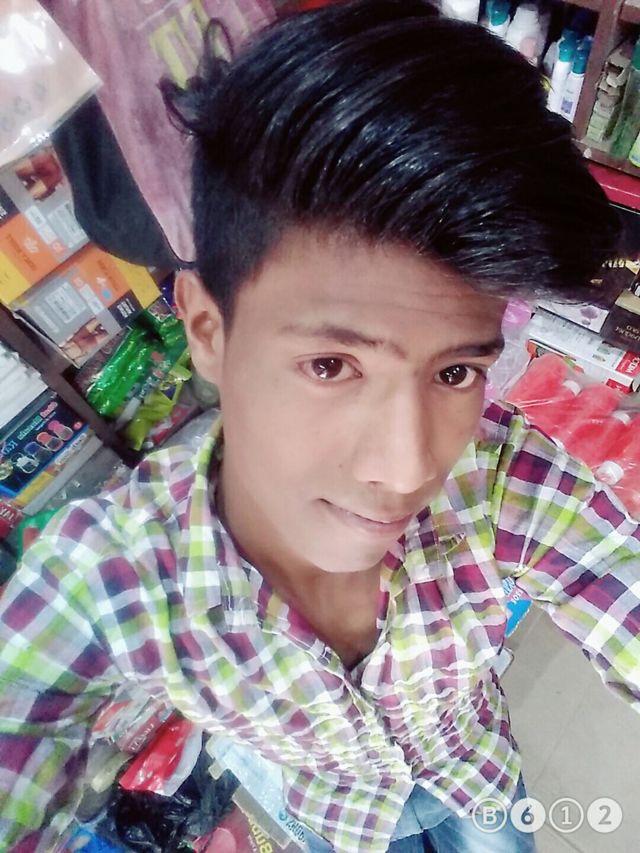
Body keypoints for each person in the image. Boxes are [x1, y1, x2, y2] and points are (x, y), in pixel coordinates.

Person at [0, 1, 637, 851]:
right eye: (332, 364)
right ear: (209, 331)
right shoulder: (112, 574)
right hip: (335, 820)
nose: (407, 466)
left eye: (455, 371)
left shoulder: (493, 481)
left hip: (480, 781)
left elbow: (614, 571)